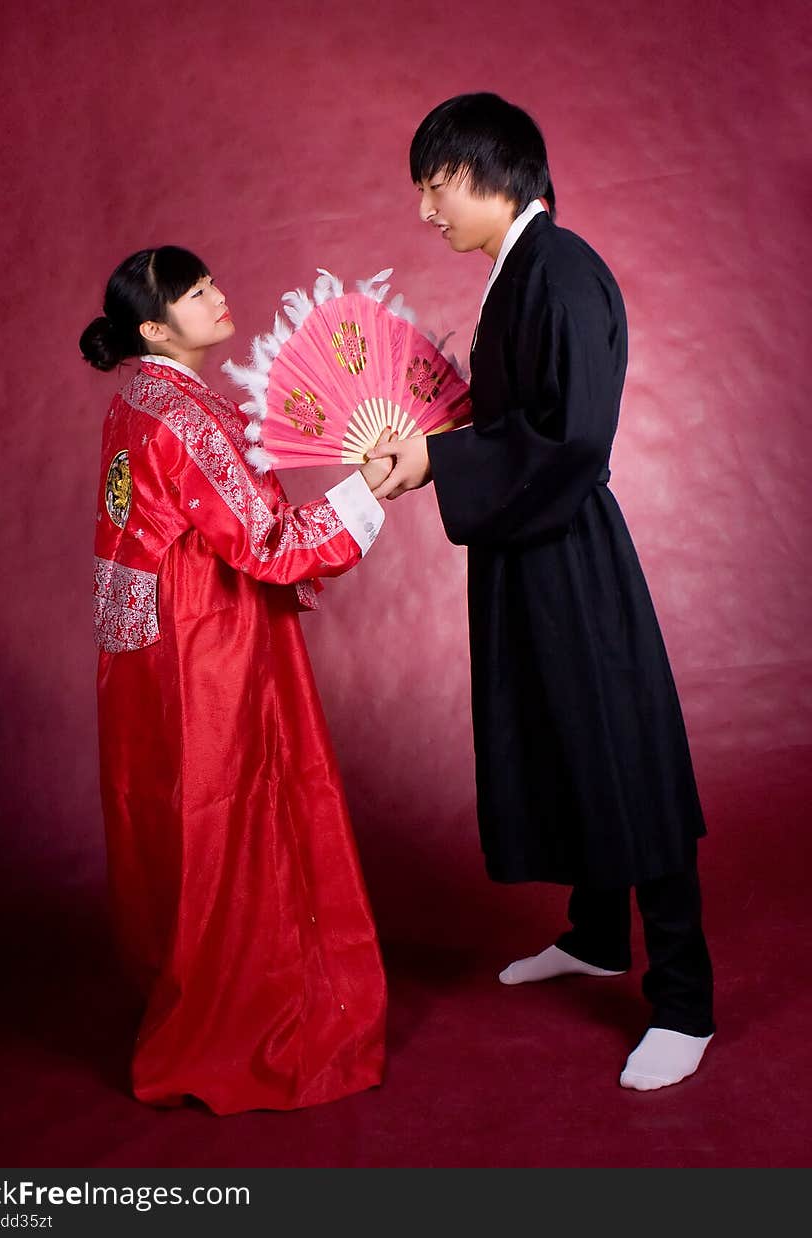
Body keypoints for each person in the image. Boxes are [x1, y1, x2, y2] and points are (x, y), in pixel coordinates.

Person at [369, 94, 715, 1091]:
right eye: (420, 188)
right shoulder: (512, 273)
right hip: (524, 544)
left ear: (497, 170)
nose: (426, 207)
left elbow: (572, 439)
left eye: (436, 182)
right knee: (560, 733)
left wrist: (441, 463)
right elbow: (509, 424)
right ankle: (599, 934)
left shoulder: (559, 270)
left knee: (620, 745)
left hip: (566, 544)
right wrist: (430, 449)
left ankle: (684, 999)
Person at [79, 246, 392, 1115]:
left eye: (214, 281)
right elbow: (269, 543)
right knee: (235, 819)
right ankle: (249, 1008)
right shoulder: (179, 414)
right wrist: (369, 490)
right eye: (195, 294)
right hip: (206, 640)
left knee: (183, 820)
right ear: (153, 327)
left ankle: (193, 984)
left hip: (145, 651)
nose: (220, 298)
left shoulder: (136, 401)